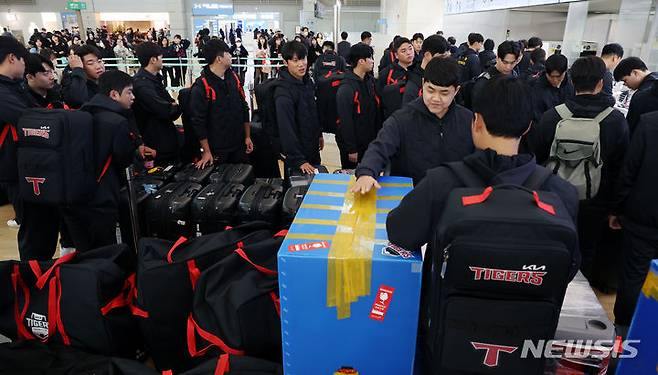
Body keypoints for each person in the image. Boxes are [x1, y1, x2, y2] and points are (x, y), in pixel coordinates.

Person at [386, 74, 580, 271]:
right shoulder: (561, 193)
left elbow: (399, 233)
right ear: (527, 127)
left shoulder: (442, 183)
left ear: (477, 121)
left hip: (452, 300)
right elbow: (569, 265)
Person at [527, 56, 629, 278]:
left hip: (553, 196)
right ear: (601, 82)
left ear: (571, 81)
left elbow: (537, 155)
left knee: (551, 244)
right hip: (595, 199)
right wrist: (615, 208)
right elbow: (620, 168)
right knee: (586, 248)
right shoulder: (615, 121)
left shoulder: (553, 116)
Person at [351, 57, 474, 190]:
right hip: (412, 195)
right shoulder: (402, 119)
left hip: (454, 197)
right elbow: (379, 147)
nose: (436, 98)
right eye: (430, 90)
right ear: (423, 83)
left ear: (456, 91)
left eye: (444, 93)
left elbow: (481, 158)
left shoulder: (468, 120)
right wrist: (366, 172)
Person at [65, 70, 141, 252]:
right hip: (101, 196)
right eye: (129, 92)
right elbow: (123, 159)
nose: (133, 97)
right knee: (105, 250)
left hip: (71, 194)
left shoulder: (80, 115)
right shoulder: (117, 122)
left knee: (84, 251)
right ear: (114, 94)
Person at [610, 109, 658, 332]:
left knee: (632, 276)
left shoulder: (649, 123)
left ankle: (623, 332)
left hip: (643, 216)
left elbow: (629, 170)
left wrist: (617, 209)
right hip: (643, 218)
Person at [0, 36, 43, 256]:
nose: (25, 65)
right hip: (14, 170)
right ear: (12, 58)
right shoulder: (3, 92)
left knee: (41, 226)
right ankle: (32, 279)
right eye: (23, 60)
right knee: (32, 230)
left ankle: (43, 273)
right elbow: (28, 117)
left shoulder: (15, 87)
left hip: (29, 167)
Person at [190, 39, 252, 169]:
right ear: (219, 59)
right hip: (218, 149)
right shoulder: (202, 86)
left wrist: (247, 137)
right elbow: (198, 122)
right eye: (228, 53)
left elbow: (244, 107)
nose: (231, 56)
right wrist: (206, 151)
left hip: (239, 145)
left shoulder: (234, 77)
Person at [275, 41, 323, 175]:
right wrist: (299, 160)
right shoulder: (283, 92)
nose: (301, 64)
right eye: (295, 60)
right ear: (286, 62)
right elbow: (286, 129)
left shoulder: (307, 81)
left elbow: (313, 112)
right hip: (297, 159)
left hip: (312, 148)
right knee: (298, 193)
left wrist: (319, 134)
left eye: (303, 58)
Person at [132, 41, 181, 164]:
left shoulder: (155, 79)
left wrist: (172, 106)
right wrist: (174, 106)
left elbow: (170, 103)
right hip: (156, 142)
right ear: (153, 60)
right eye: (161, 57)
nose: (162, 59)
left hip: (166, 136)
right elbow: (165, 110)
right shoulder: (142, 85)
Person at [335, 43, 380, 169]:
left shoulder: (369, 82)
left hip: (368, 141)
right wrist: (351, 148)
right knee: (351, 179)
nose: (372, 61)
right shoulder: (346, 88)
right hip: (352, 146)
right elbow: (345, 121)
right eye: (370, 58)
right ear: (361, 61)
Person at [470, 40, 521, 108]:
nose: (508, 67)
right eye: (504, 62)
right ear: (497, 58)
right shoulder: (485, 80)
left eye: (512, 63)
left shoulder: (514, 74)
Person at [614, 57, 658, 135]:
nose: (625, 84)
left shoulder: (642, 96)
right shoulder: (654, 84)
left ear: (635, 73)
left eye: (625, 80)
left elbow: (631, 128)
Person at [402, 34, 450, 105]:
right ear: (427, 55)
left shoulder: (442, 75)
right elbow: (408, 113)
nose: (446, 61)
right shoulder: (413, 85)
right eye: (442, 57)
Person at [528, 53, 574, 125]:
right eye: (551, 76)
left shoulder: (572, 85)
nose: (555, 80)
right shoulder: (535, 86)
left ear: (565, 71)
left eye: (558, 77)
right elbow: (536, 114)